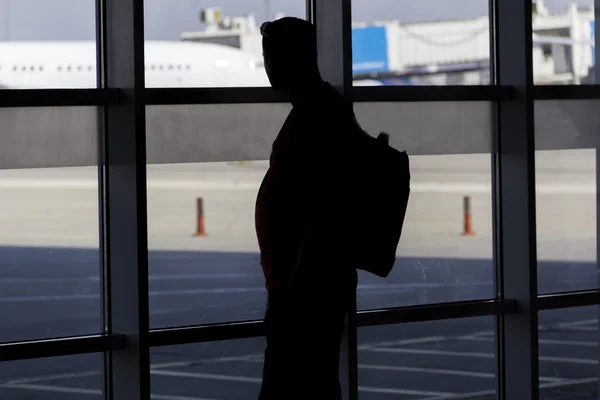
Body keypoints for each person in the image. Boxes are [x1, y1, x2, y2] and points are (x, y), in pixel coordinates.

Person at [254, 17, 358, 400]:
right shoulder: (319, 109)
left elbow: (320, 211)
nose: (266, 66)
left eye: (270, 56)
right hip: (305, 284)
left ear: (293, 59)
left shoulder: (315, 116)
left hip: (303, 290)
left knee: (292, 385)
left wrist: (291, 288)